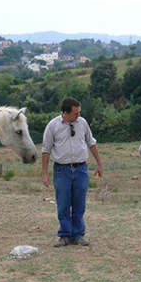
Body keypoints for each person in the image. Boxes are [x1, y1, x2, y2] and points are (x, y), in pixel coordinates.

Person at [42, 97, 103, 247]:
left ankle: (78, 235)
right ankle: (64, 235)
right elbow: (46, 150)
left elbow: (91, 143)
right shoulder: (52, 126)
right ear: (65, 113)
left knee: (79, 203)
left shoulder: (82, 123)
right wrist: (45, 173)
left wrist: (99, 164)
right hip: (62, 170)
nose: (78, 115)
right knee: (63, 203)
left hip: (81, 169)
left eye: (79, 112)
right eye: (75, 113)